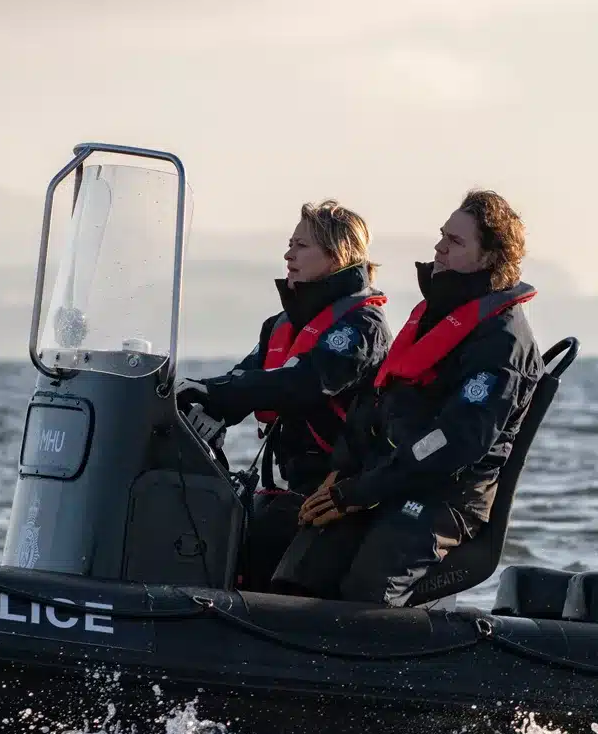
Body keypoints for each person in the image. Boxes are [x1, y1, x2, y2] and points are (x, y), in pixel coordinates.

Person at [272, 189, 544, 606]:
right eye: (441, 236)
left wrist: (362, 491)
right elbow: (376, 403)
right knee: (301, 570)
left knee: (367, 588)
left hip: (445, 498)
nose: (438, 248)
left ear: (490, 257)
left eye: (454, 241)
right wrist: (342, 474)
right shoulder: (435, 317)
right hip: (388, 480)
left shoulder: (503, 343)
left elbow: (454, 441)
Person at [176, 200, 393, 591]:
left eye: (301, 246)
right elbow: (246, 379)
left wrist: (219, 392)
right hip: (292, 488)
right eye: (290, 244)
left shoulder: (361, 327)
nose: (288, 255)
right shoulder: (281, 325)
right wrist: (199, 401)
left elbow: (303, 383)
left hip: (339, 491)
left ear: (337, 255)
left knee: (274, 570)